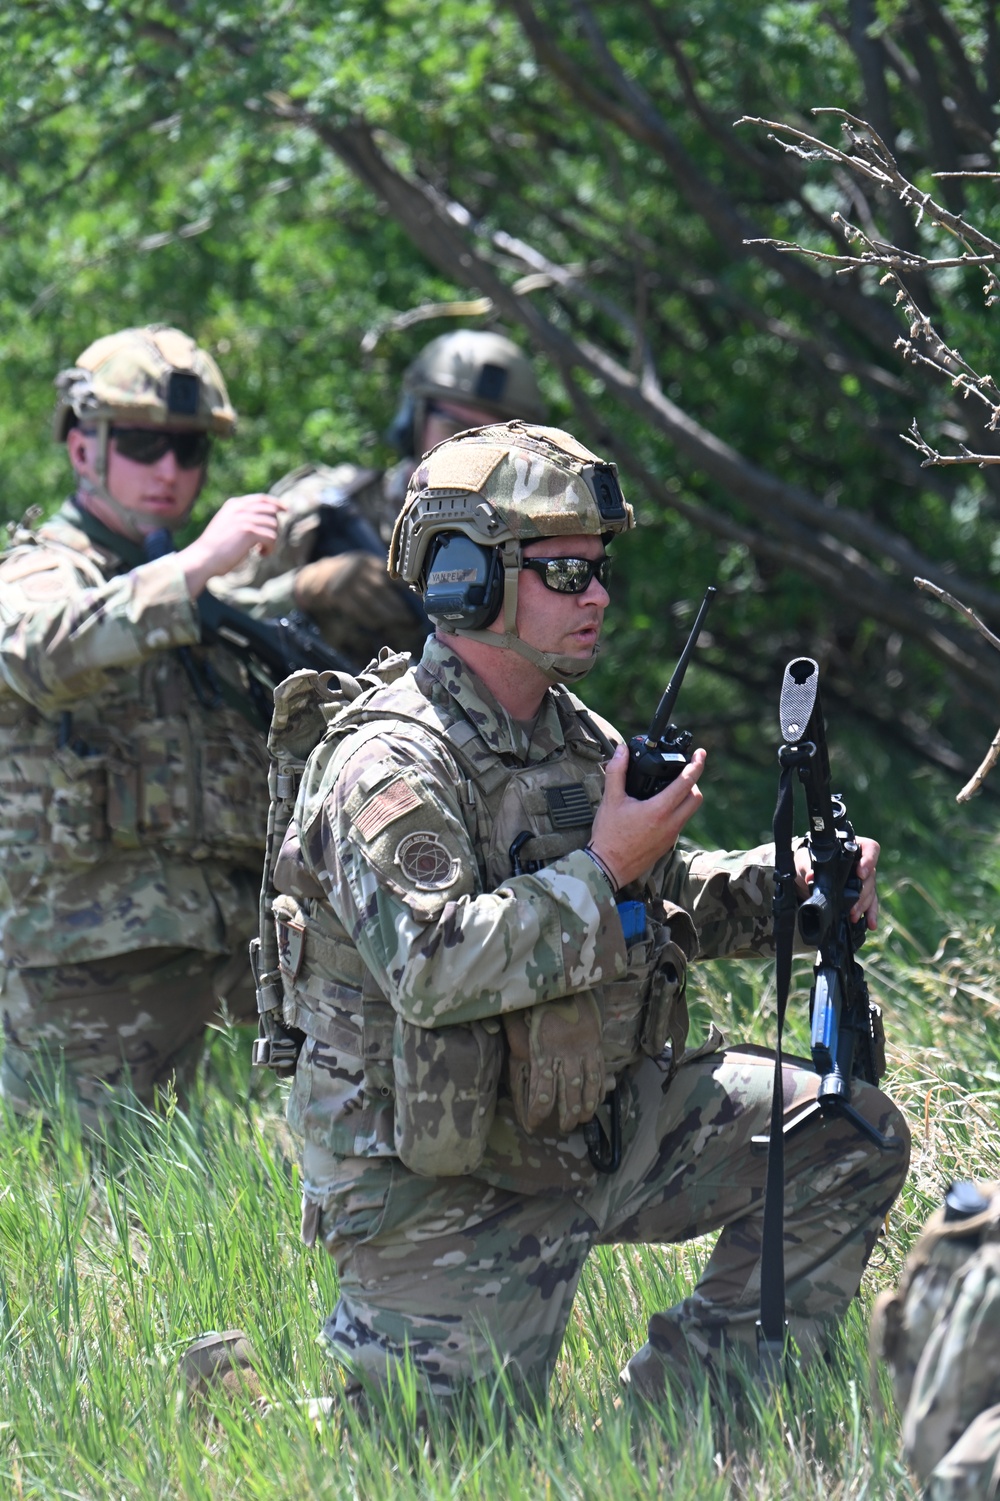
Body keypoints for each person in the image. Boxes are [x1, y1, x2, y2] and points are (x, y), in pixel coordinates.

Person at [262, 420, 911, 1407]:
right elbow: (434, 966)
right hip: (439, 1177)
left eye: (598, 568)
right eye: (564, 571)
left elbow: (655, 895)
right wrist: (606, 865)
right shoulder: (388, 762)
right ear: (464, 577)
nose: (598, 595)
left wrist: (791, 891)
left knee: (843, 1129)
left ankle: (695, 1419)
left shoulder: (573, 735)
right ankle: (243, 1397)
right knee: (450, 1455)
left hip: (591, 1125)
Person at [0, 324, 286, 1124]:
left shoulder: (184, 592)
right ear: (82, 446)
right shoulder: (42, 571)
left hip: (227, 957)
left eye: (189, 450)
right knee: (90, 1224)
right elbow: (37, 648)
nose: (169, 468)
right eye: (142, 442)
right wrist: (195, 565)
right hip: (87, 980)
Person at [214, 328, 546, 667]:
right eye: (454, 430)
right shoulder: (324, 506)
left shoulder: (528, 558)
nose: (468, 451)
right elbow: (204, 610)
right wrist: (305, 587)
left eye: (491, 443)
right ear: (414, 419)